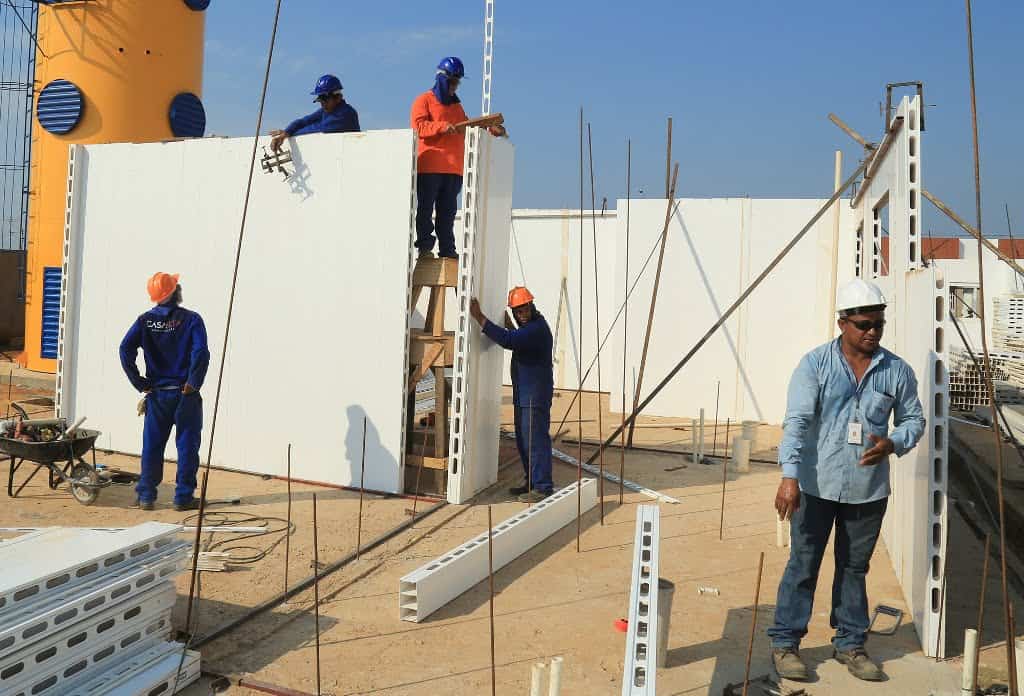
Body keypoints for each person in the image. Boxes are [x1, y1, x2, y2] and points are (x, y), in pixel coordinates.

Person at [767, 278, 925, 682]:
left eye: (878, 324)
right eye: (864, 324)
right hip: (816, 486)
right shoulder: (815, 365)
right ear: (843, 323)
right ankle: (785, 644)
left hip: (867, 490)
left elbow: (914, 419)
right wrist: (789, 477)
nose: (872, 332)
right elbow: (797, 422)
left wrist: (894, 442)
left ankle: (850, 644)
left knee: (854, 568)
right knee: (803, 564)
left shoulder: (896, 371)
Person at [119, 273, 210, 512]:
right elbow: (201, 352)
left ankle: (147, 496)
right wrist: (193, 382)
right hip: (185, 394)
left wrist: (139, 382)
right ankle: (182, 498)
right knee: (187, 445)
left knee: (152, 446)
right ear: (173, 292)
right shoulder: (192, 320)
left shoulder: (144, 321)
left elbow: (125, 349)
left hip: (158, 394)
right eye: (176, 285)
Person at [410, 56, 505, 259]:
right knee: (425, 209)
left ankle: (447, 250)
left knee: (447, 214)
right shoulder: (424, 100)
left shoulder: (456, 108)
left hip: (453, 170)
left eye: (457, 82)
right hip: (430, 167)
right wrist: (441, 126)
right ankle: (425, 247)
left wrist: (489, 130)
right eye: (453, 81)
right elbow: (419, 127)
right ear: (442, 79)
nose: (455, 86)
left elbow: (467, 128)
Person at [468, 287, 553, 503]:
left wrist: (479, 317)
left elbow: (509, 340)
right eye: (517, 311)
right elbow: (516, 337)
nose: (521, 314)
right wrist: (508, 325)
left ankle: (542, 487)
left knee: (535, 441)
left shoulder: (537, 329)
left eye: (524, 309)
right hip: (525, 394)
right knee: (524, 441)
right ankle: (532, 482)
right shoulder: (529, 328)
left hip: (534, 395)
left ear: (531, 306)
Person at [270, 74, 360, 152]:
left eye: (325, 100)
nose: (323, 104)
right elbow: (304, 121)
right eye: (320, 101)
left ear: (338, 97)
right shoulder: (326, 110)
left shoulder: (346, 114)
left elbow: (317, 129)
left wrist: (290, 134)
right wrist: (286, 132)